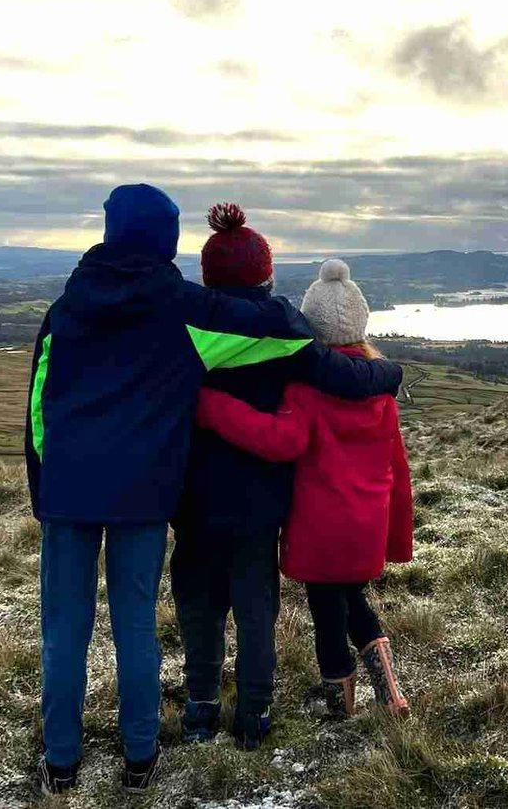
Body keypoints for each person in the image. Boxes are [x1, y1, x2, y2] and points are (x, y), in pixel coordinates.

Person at [24, 187, 402, 795]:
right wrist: (384, 371)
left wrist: (47, 488)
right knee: (135, 626)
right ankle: (140, 758)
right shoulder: (183, 311)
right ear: (168, 241)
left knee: (64, 628)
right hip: (144, 497)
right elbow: (277, 326)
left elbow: (40, 407)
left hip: (69, 491)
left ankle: (61, 763)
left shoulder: (66, 307)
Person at [195, 258, 415, 722]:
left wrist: (212, 406)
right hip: (366, 523)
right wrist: (396, 532)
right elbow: (398, 469)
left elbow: (278, 441)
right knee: (352, 596)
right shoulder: (381, 394)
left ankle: (339, 702)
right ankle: (389, 689)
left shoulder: (307, 391)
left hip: (321, 525)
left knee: (327, 611)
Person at [170, 203, 357, 750]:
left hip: (194, 500)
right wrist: (386, 373)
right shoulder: (287, 329)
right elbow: (337, 374)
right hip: (259, 503)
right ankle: (254, 714)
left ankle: (201, 707)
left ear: (206, 277)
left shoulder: (185, 330)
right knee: (256, 613)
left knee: (199, 608)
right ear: (266, 274)